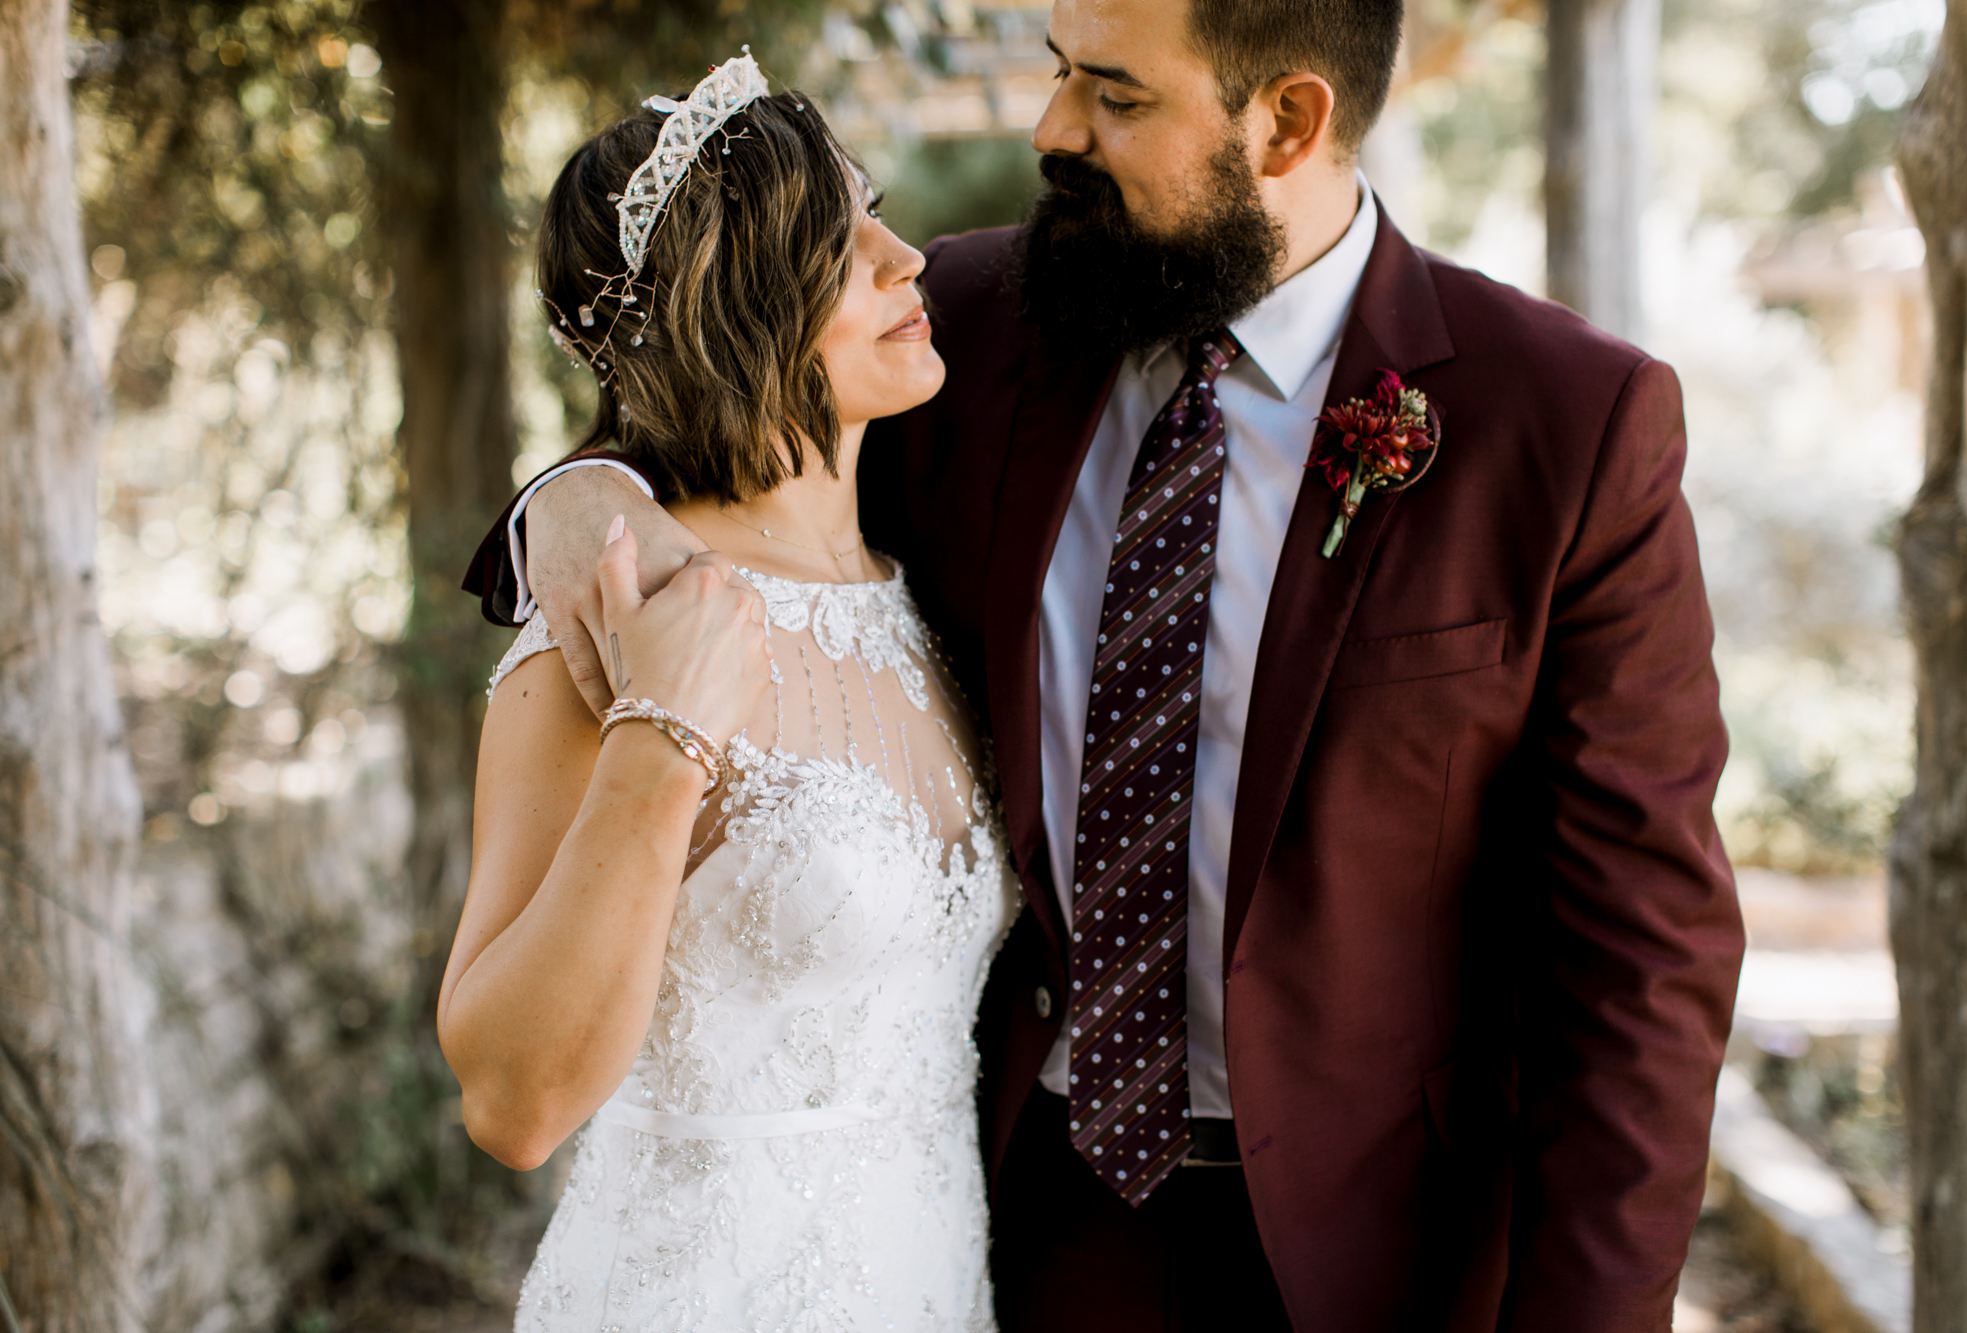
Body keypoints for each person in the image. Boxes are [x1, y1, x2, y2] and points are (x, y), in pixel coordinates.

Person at [465, 0, 1746, 1327]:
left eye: (1117, 98)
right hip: (1028, 1217)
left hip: (1388, 1255)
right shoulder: (959, 325)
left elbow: (1641, 962)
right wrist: (575, 496)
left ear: (1288, 122)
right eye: (1061, 71)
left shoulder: (1564, 422)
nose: (1051, 128)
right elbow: (707, 396)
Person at [439, 57, 1017, 1330]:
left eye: (875, 211)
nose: (904, 257)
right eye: (836, 241)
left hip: (931, 1283)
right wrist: (664, 736)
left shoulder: (916, 597)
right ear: (729, 305)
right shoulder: (608, 630)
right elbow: (512, 1103)